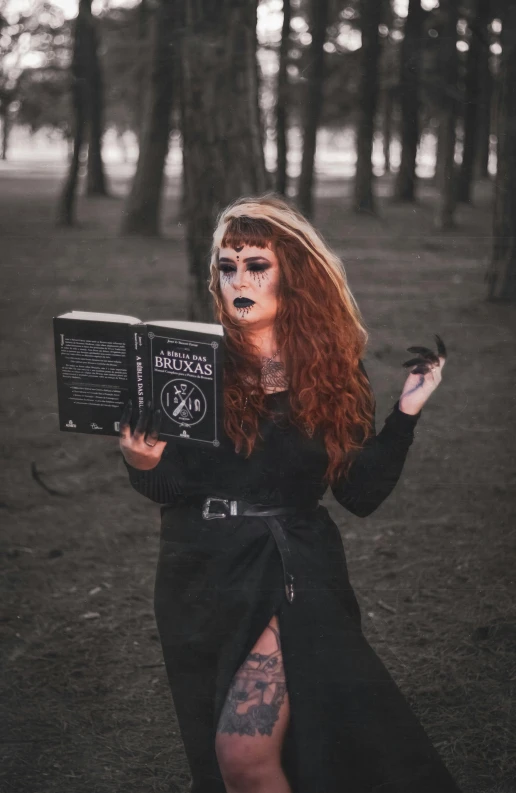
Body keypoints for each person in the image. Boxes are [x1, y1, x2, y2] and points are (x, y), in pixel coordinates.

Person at [119, 195, 462, 793]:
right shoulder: (192, 365)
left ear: (291, 275)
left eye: (257, 264)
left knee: (243, 754)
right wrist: (140, 459)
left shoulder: (329, 372)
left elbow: (357, 492)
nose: (240, 280)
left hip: (292, 570)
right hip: (196, 572)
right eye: (228, 267)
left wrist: (406, 413)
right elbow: (172, 487)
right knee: (222, 756)